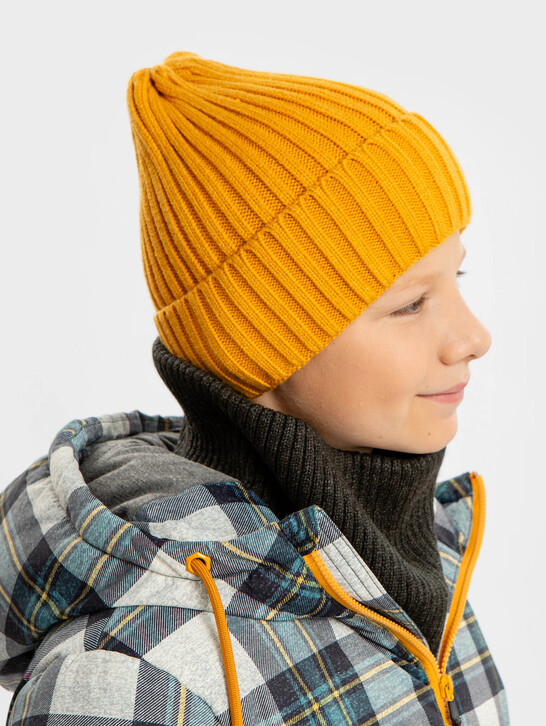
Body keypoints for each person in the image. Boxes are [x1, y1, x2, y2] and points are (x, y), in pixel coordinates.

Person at [0, 52, 509, 725]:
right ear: (261, 342)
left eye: (456, 279)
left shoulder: (412, 569)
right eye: (410, 304)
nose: (474, 337)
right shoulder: (131, 678)